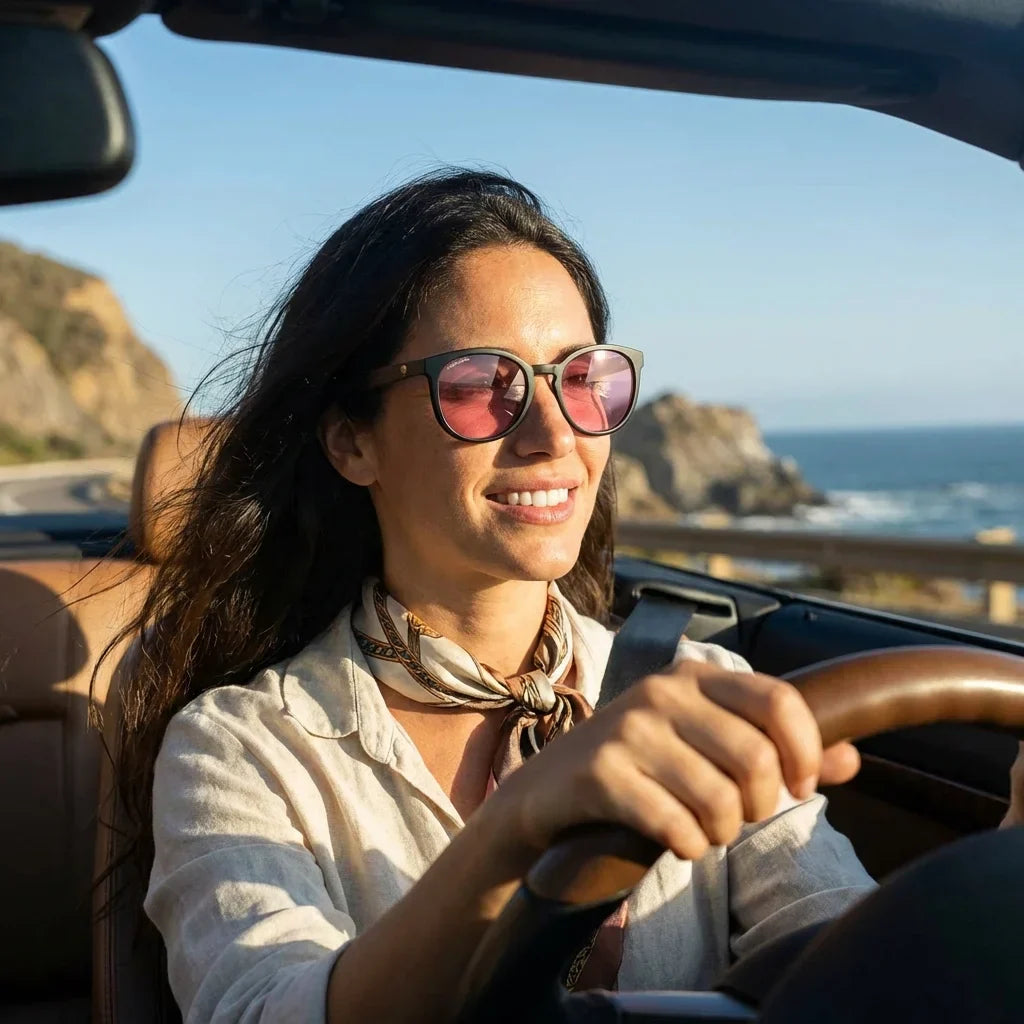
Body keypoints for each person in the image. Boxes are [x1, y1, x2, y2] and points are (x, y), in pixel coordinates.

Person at [105, 169, 1024, 1024]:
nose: (554, 433)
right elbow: (271, 1006)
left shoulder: (703, 685)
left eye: (582, 378)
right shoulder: (237, 747)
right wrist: (517, 825)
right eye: (477, 386)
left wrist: (1008, 857)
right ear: (352, 443)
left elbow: (838, 952)